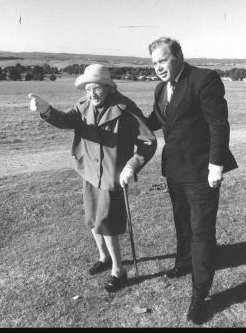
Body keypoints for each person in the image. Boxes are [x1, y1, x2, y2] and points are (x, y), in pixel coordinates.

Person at [29, 64, 157, 293]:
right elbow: (65, 120)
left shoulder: (125, 109)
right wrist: (46, 109)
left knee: (107, 224)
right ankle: (104, 257)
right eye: (88, 89)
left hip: (111, 176)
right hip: (89, 171)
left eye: (96, 88)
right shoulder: (83, 106)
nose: (92, 93)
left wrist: (131, 165)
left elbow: (148, 141)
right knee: (92, 220)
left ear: (108, 88)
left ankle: (119, 270)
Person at [146, 37, 238, 324]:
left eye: (162, 60)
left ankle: (200, 295)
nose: (158, 67)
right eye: (154, 63)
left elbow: (218, 125)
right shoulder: (161, 88)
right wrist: (123, 117)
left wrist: (216, 166)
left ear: (179, 56)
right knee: (182, 223)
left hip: (202, 172)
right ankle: (184, 263)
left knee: (201, 232)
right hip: (174, 170)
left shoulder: (204, 79)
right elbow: (156, 120)